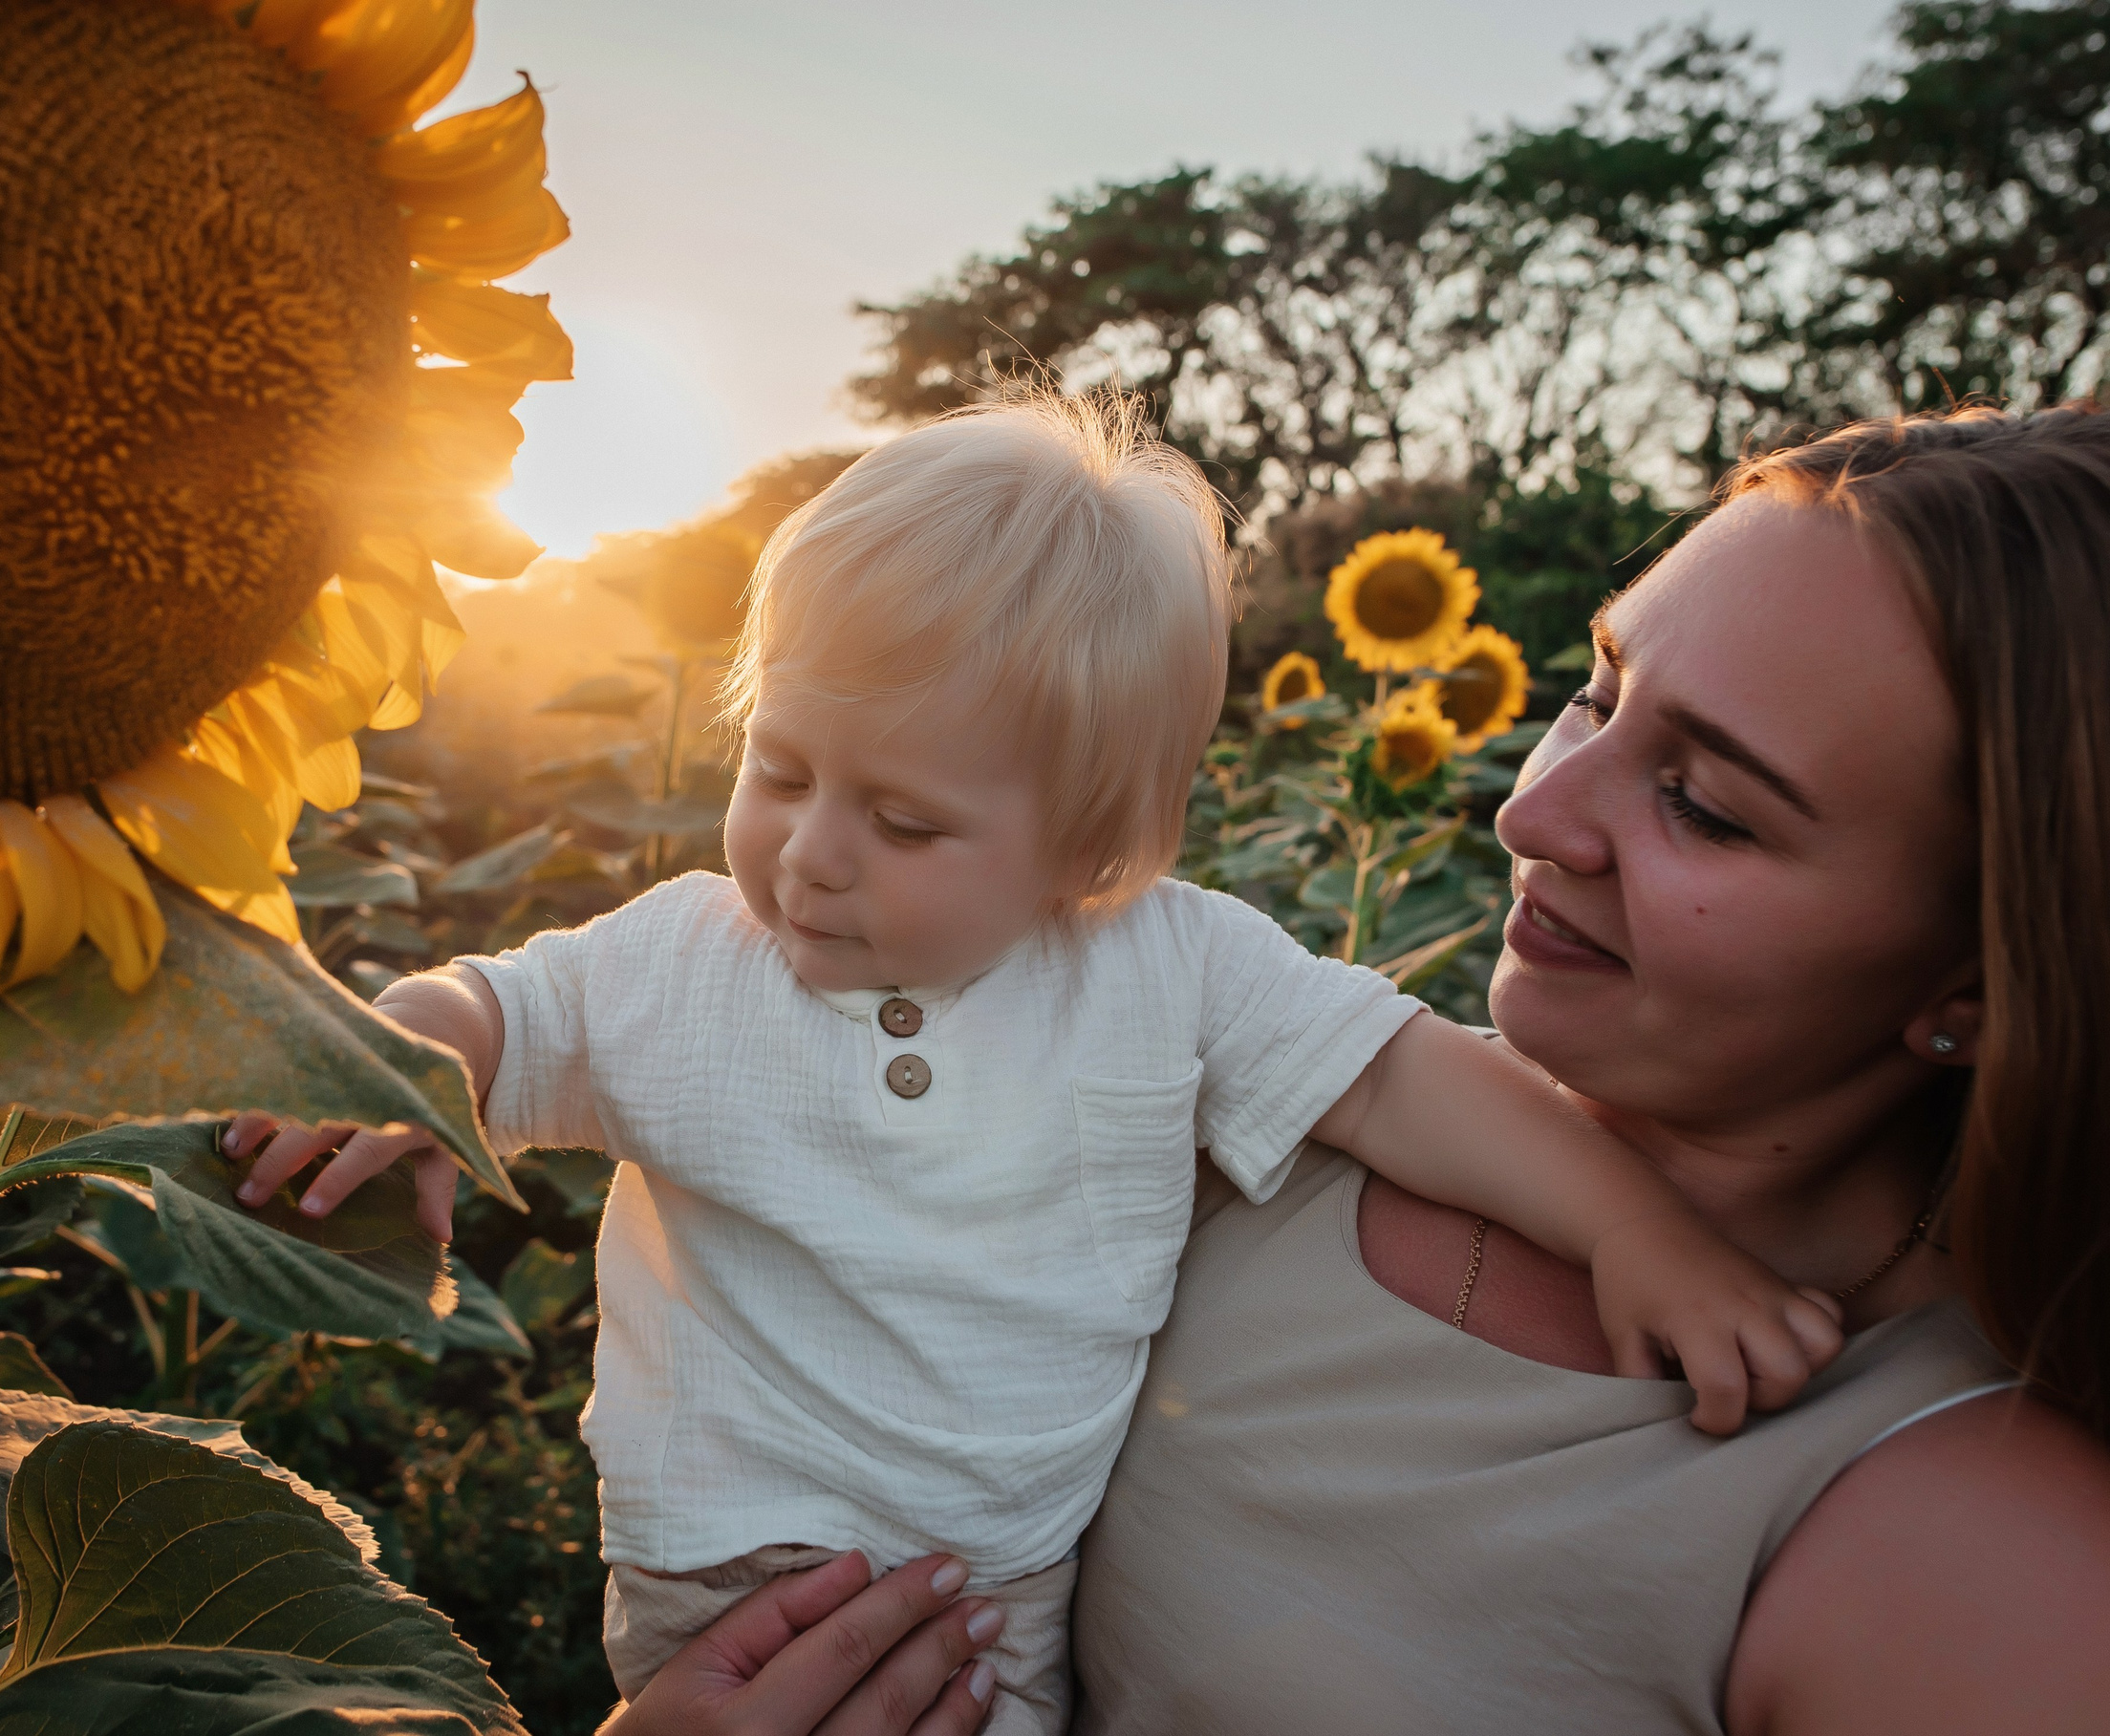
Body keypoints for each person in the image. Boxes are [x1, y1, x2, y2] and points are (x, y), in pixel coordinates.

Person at [223, 396, 1843, 1734]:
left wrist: (1632, 1228)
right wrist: (412, 1051)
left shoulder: (1173, 966)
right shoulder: (688, 958)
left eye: (906, 819)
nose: (810, 857)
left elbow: (1400, 1078)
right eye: (779, 767)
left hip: (1010, 1606)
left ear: (1089, 851)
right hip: (734, 1590)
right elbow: (515, 1010)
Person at [594, 404, 2110, 1736]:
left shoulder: (1969, 1539)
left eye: (1706, 805)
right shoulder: (1244, 1101)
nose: (1534, 810)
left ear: (1976, 978)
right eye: (1594, 689)